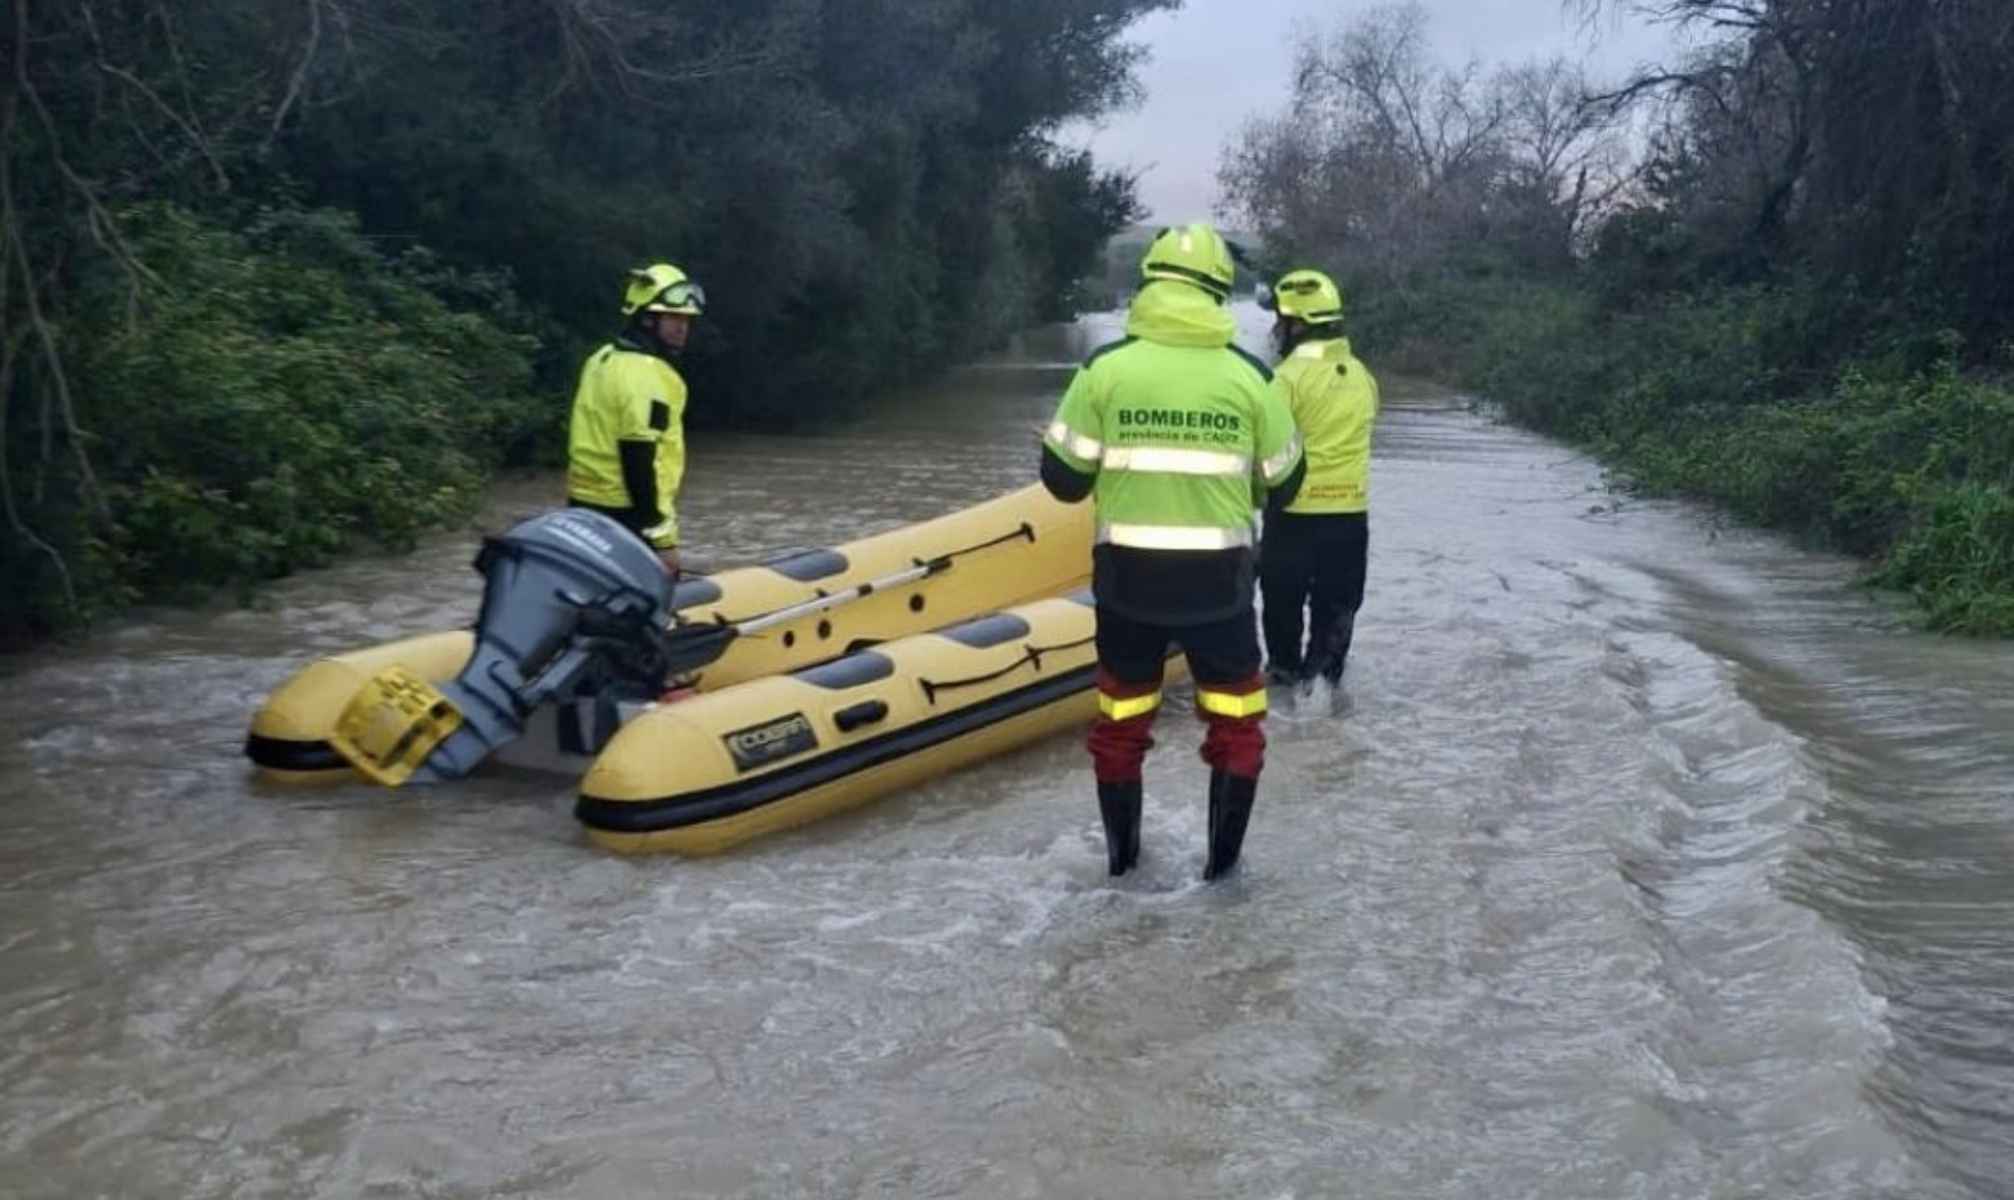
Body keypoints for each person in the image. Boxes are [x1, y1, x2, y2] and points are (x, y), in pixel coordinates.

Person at [1039, 222, 1305, 881]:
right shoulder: (1251, 377)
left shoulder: (1104, 370)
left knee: (1122, 724)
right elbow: (1287, 483)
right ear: (1220, 291)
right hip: (1220, 589)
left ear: (1148, 283)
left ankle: (1122, 869)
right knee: (1237, 724)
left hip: (1127, 587)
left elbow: (1062, 482)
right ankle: (1221, 877)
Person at [1257, 268, 1379, 697]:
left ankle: (1287, 706)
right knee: (1336, 618)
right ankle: (1331, 706)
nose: (1276, 329)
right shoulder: (1363, 376)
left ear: (1296, 324)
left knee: (1282, 620)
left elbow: (1266, 449)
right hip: (1350, 518)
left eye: (1280, 320)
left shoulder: (1285, 379)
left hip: (1293, 517)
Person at [567, 262, 705, 575]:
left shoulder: (601, 359)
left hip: (583, 507)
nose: (683, 328)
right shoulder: (648, 376)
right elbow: (639, 459)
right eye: (673, 318)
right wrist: (662, 541)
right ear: (646, 318)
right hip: (628, 515)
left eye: (686, 320)